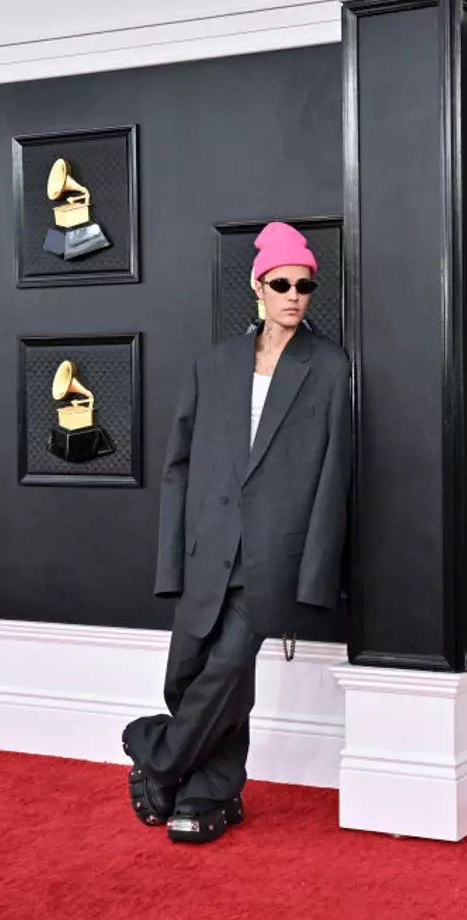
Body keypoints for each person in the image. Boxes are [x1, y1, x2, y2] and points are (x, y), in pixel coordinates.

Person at [122, 221, 352, 845]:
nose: (294, 296)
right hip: (207, 547)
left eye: (305, 286)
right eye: (281, 284)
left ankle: (157, 755)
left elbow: (336, 475)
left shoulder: (329, 366)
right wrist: (171, 560)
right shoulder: (213, 365)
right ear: (258, 286)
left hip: (275, 554)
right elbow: (178, 469)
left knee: (225, 669)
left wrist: (317, 572)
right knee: (188, 673)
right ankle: (208, 792)